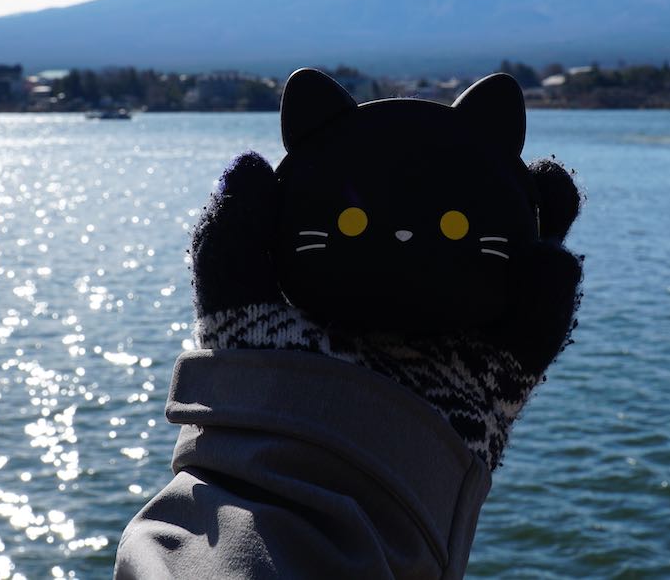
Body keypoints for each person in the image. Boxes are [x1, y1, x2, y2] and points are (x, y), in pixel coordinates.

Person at [115, 70, 583, 578]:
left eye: (453, 226)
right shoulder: (486, 362)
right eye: (353, 222)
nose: (404, 237)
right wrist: (438, 435)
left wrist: (252, 384)